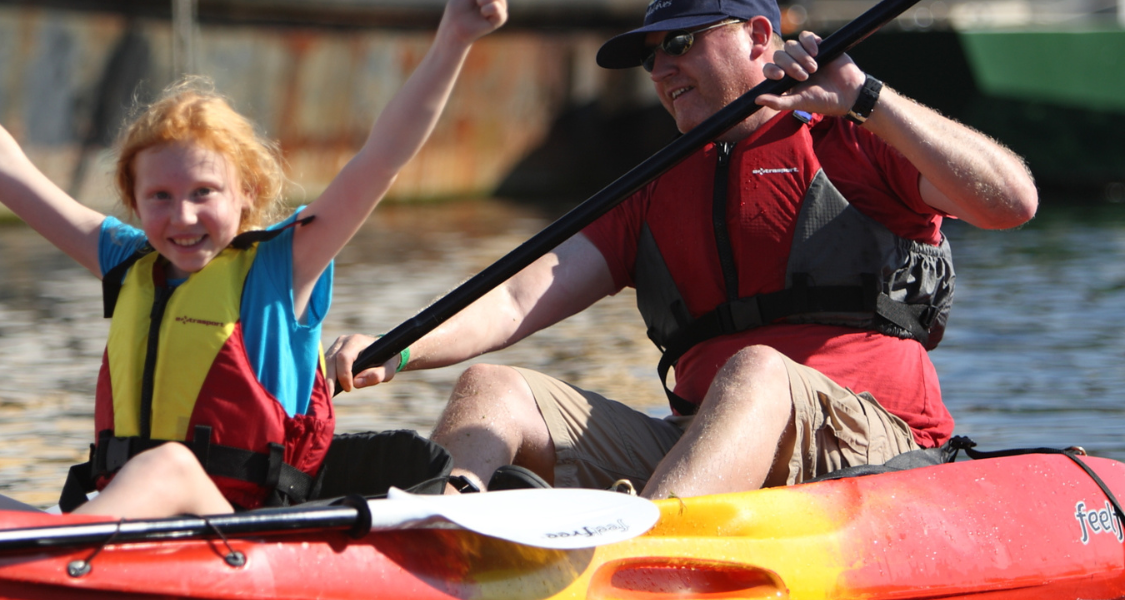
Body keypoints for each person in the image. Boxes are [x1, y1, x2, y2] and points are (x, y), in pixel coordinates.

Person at [0, 0, 508, 517]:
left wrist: (455, 38)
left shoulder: (283, 265)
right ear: (134, 202)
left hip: (240, 538)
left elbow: (382, 156)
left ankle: (58, 567)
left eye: (204, 193)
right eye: (161, 196)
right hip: (111, 530)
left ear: (248, 196)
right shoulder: (124, 262)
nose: (181, 216)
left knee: (170, 466)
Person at [330, 0, 1037, 500]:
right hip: (701, 441)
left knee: (756, 371)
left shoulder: (853, 138)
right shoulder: (654, 188)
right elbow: (520, 295)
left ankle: (640, 554)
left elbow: (1011, 203)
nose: (661, 67)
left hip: (872, 438)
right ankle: (437, 539)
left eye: (682, 43)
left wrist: (863, 95)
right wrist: (396, 350)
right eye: (651, 54)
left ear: (760, 37)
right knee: (493, 390)